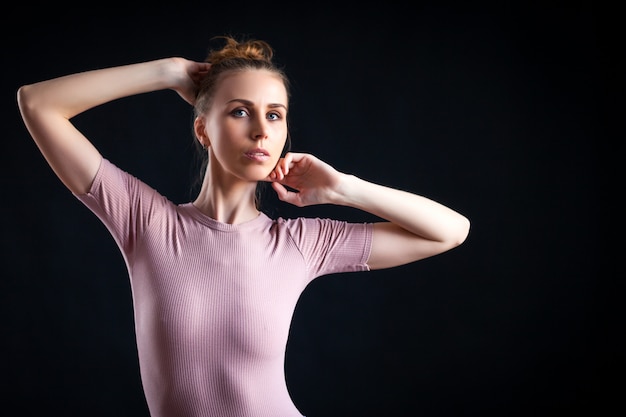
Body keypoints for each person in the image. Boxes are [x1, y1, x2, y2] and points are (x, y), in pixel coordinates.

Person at [17, 35, 470, 417]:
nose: (261, 131)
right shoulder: (145, 221)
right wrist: (169, 71)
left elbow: (450, 230)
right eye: (239, 111)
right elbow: (38, 103)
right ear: (203, 130)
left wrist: (345, 189)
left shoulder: (301, 243)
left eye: (274, 115)